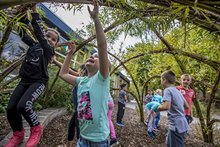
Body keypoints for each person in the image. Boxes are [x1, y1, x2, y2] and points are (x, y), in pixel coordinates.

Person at [5, 4, 59, 147]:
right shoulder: (34, 45)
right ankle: (18, 133)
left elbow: (40, 34)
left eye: (53, 39)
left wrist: (34, 12)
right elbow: (23, 34)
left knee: (24, 105)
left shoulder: (49, 51)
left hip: (38, 82)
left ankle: (36, 129)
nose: (49, 39)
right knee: (11, 108)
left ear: (55, 45)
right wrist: (22, 16)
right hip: (25, 81)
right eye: (48, 36)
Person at [59, 1, 110, 146]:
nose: (92, 56)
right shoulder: (81, 81)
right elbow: (62, 74)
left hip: (98, 140)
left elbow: (102, 46)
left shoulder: (101, 79)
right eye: (91, 56)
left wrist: (96, 19)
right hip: (82, 139)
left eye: (97, 57)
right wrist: (70, 54)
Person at [53, 57, 87, 147]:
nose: (80, 72)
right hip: (77, 110)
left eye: (82, 71)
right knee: (71, 126)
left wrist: (55, 61)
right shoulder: (79, 78)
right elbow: (67, 69)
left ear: (85, 72)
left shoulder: (82, 82)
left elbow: (68, 71)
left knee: (79, 131)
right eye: (80, 70)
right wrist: (55, 61)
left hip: (80, 112)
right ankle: (69, 145)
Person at [157, 70, 189, 147]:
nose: (161, 82)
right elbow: (186, 106)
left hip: (176, 126)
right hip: (183, 124)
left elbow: (166, 106)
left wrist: (157, 107)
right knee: (168, 143)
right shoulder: (178, 91)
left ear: (164, 79)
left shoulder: (167, 90)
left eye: (161, 80)